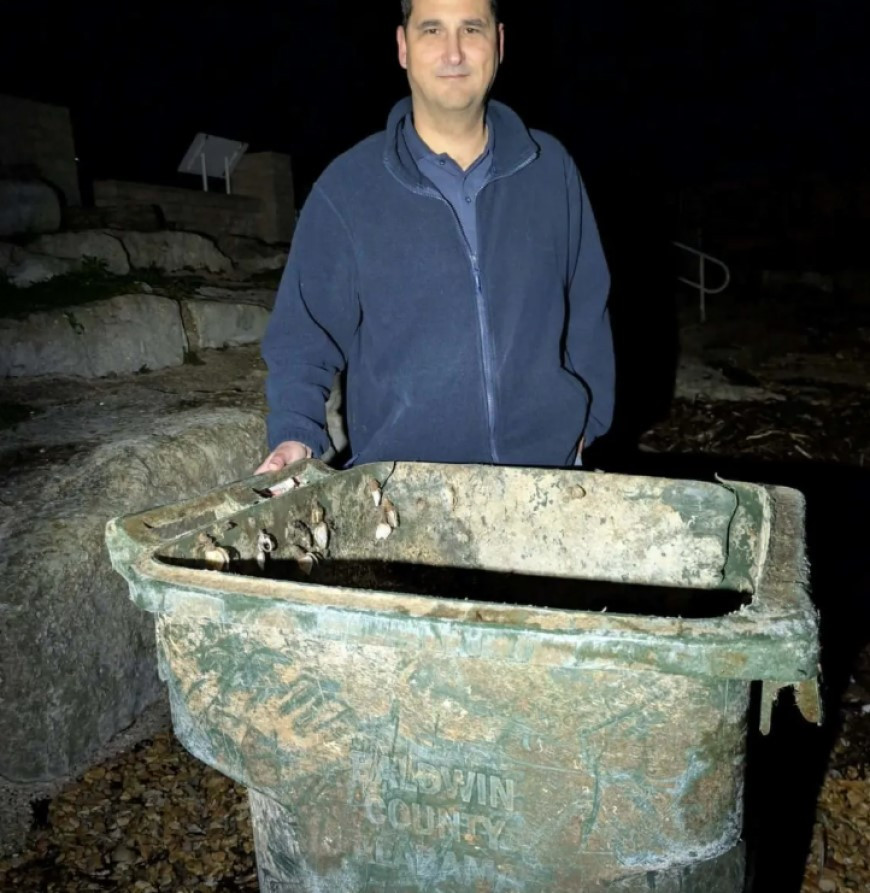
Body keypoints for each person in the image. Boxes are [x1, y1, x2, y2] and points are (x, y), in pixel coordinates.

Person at [256, 0, 614, 474]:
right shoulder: (347, 188)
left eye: (471, 29)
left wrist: (591, 418)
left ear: (499, 43)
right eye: (432, 30)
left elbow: (587, 304)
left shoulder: (551, 168)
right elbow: (303, 335)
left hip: (548, 472)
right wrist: (295, 434)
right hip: (406, 486)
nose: (454, 52)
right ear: (402, 46)